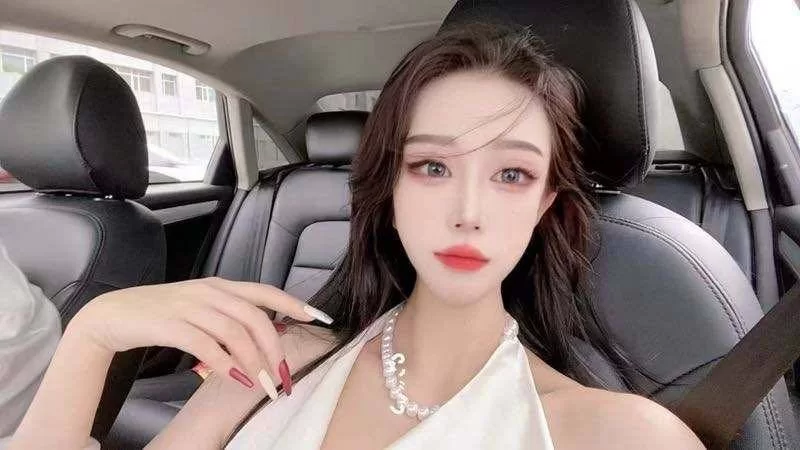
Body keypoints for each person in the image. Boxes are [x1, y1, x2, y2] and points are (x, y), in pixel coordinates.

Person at [7, 25, 704, 449]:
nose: (467, 211)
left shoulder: (618, 435)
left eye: (512, 175)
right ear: (390, 187)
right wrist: (91, 335)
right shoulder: (278, 361)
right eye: (432, 167)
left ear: (546, 203)